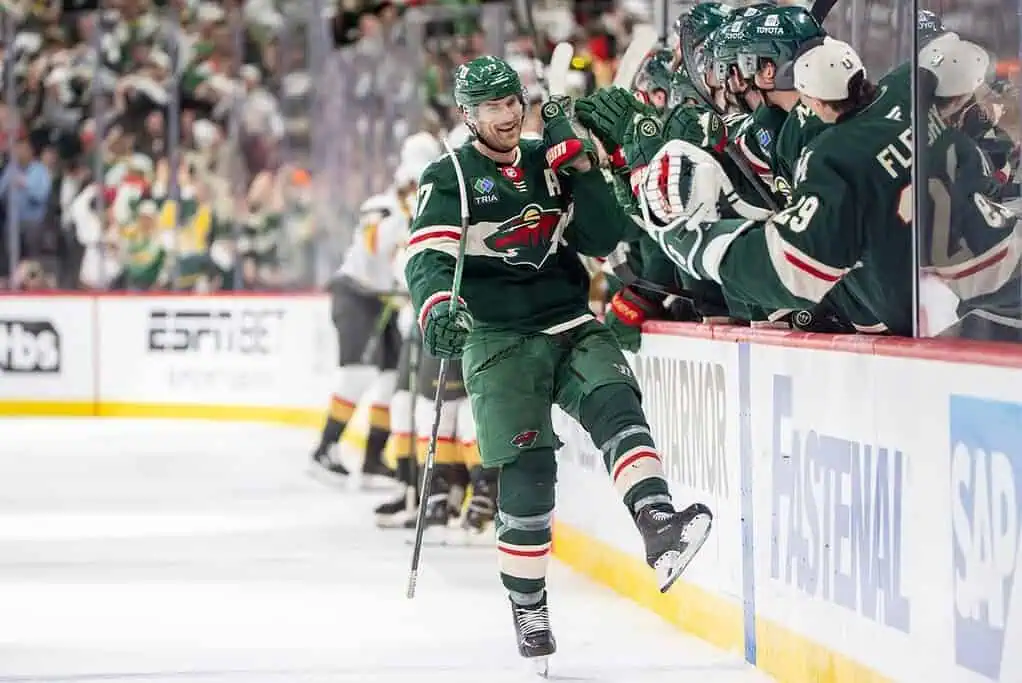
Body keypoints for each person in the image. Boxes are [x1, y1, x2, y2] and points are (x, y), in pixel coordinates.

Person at [402, 55, 713, 669]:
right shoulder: (452, 178)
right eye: (493, 106)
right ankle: (529, 605)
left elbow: (600, 239)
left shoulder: (548, 158)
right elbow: (427, 260)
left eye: (514, 101)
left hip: (569, 320)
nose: (509, 114)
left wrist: (586, 168)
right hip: (496, 339)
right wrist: (438, 308)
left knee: (617, 405)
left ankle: (657, 523)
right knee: (530, 473)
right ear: (468, 115)